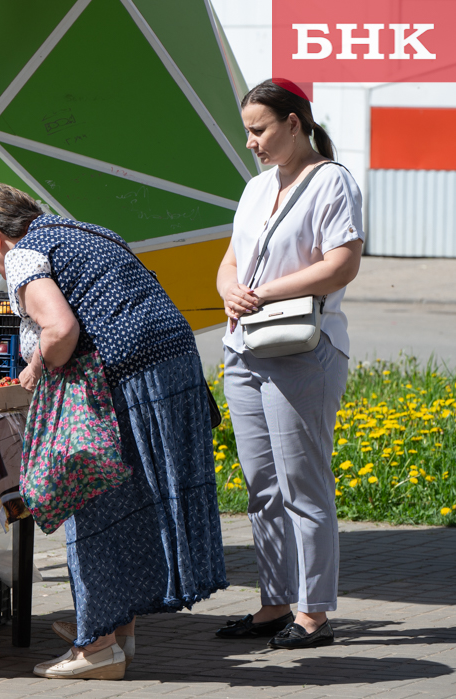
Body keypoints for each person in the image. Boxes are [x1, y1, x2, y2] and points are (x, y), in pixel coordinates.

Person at [0, 183, 228, 680]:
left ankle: (98, 649)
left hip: (123, 373)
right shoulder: (82, 229)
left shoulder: (24, 254)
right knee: (129, 501)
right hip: (172, 364)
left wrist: (34, 369)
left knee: (87, 490)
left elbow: (59, 330)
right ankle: (116, 628)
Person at [214, 80, 363, 650]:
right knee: (262, 487)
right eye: (248, 130)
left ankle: (314, 614)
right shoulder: (255, 188)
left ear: (295, 123)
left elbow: (341, 264)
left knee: (303, 485)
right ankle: (274, 604)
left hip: (303, 348)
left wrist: (267, 292)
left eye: (260, 129)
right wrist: (232, 292)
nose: (251, 141)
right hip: (245, 347)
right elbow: (230, 261)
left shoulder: (332, 181)